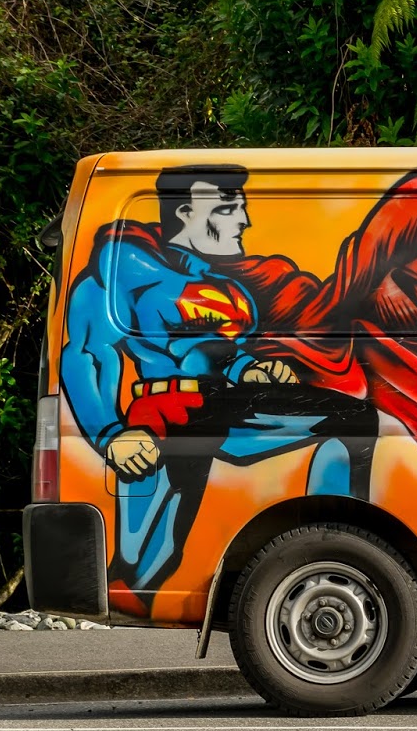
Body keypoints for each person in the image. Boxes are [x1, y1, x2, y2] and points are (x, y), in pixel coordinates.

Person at [60, 165, 377, 614]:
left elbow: (219, 352)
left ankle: (341, 545)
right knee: (148, 561)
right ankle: (131, 588)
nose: (244, 221)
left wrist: (254, 369)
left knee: (352, 421)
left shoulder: (222, 286)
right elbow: (87, 354)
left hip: (220, 405)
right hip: (162, 413)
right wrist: (110, 433)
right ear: (186, 213)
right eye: (229, 209)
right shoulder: (117, 271)